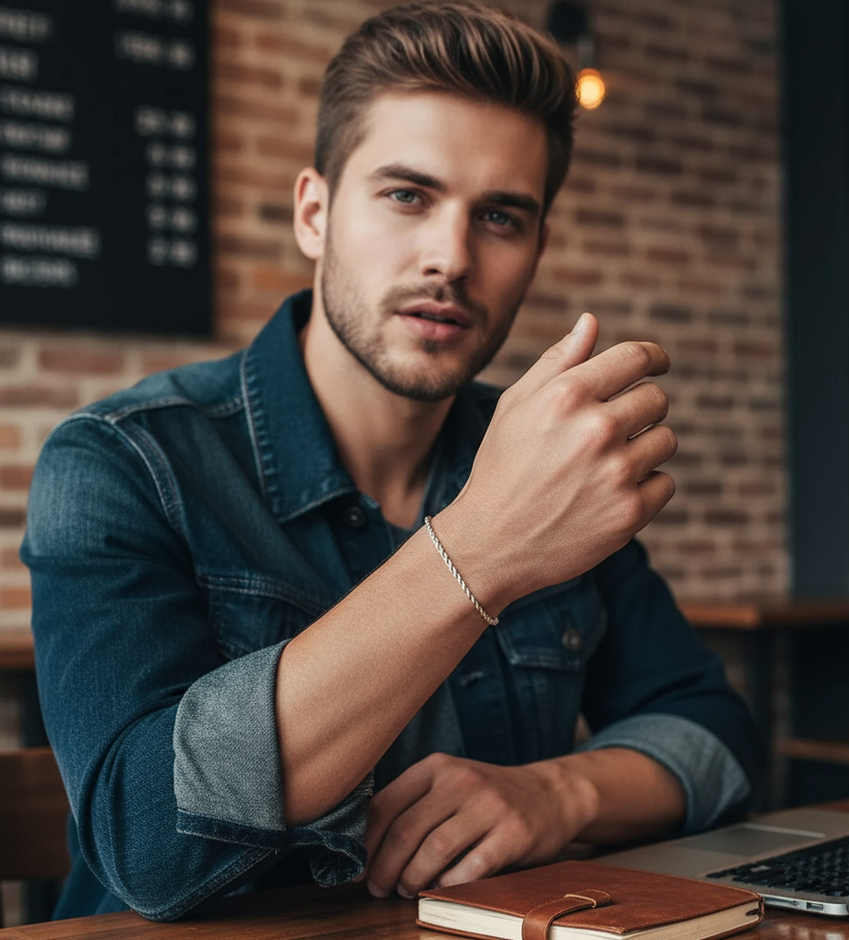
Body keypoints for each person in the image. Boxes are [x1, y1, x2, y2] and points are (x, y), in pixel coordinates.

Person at [22, 1, 761, 923]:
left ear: (536, 249)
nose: (450, 258)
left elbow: (719, 736)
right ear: (314, 213)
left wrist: (559, 794)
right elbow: (145, 836)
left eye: (499, 216)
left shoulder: (544, 455)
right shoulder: (123, 462)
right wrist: (478, 551)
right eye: (408, 195)